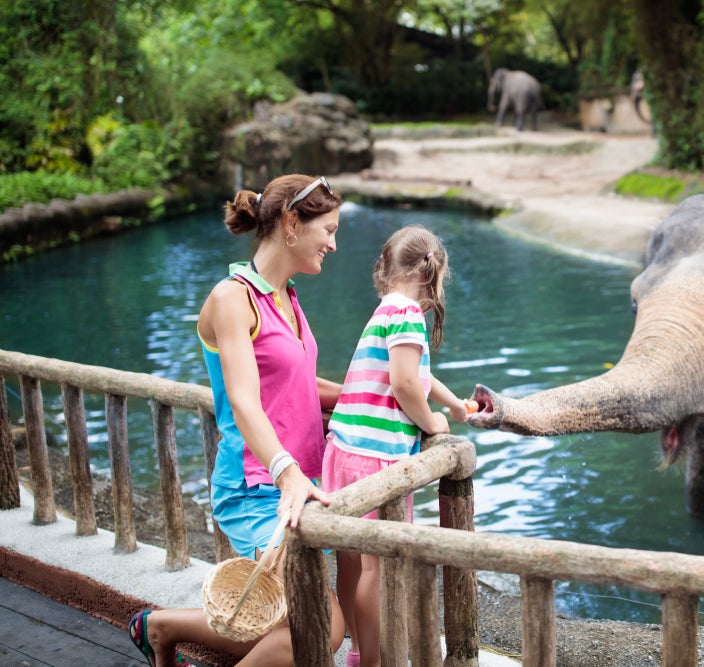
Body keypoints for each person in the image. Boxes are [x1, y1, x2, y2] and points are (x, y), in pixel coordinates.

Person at [128, 174, 347, 667]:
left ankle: (160, 627)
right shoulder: (233, 299)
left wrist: (375, 398)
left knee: (283, 619)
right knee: (323, 627)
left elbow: (298, 386)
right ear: (291, 223)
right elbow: (245, 400)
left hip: (300, 482)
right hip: (258, 486)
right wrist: (287, 472)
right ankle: (159, 627)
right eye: (328, 230)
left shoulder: (287, 297)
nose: (333, 244)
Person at [322, 225, 471, 667]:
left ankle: (356, 648)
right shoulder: (409, 314)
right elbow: (406, 384)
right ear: (434, 275)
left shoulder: (387, 309)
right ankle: (373, 661)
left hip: (344, 449)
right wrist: (431, 420)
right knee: (376, 567)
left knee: (349, 561)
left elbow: (418, 373)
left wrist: (454, 406)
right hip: (376, 458)